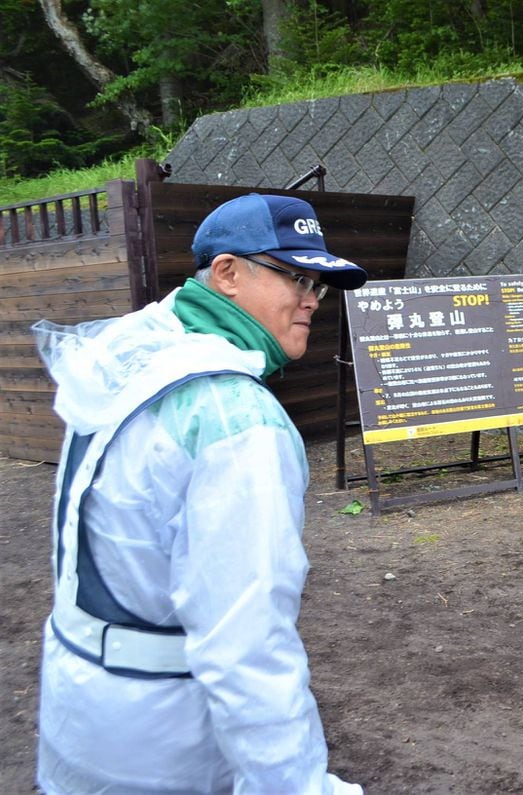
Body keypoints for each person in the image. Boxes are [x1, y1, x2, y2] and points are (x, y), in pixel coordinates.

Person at [32, 193, 368, 794]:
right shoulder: (234, 416)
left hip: (79, 712)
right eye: (295, 275)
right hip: (168, 744)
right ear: (227, 274)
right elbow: (247, 645)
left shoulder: (131, 358)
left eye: (320, 282)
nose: (314, 298)